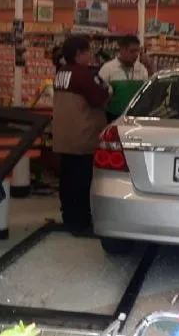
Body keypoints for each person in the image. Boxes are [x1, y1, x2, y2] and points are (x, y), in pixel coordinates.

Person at [52, 36, 112, 233]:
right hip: (83, 136)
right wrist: (109, 90)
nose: (90, 55)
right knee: (82, 180)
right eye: (88, 51)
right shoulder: (84, 75)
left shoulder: (61, 72)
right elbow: (99, 98)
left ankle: (69, 217)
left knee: (67, 179)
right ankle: (81, 221)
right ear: (79, 54)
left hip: (64, 136)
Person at [98, 35, 154, 122]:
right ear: (122, 50)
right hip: (113, 118)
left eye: (137, 51)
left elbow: (149, 92)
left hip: (136, 118)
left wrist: (150, 67)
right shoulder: (108, 68)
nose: (136, 55)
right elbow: (100, 96)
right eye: (132, 51)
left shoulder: (141, 69)